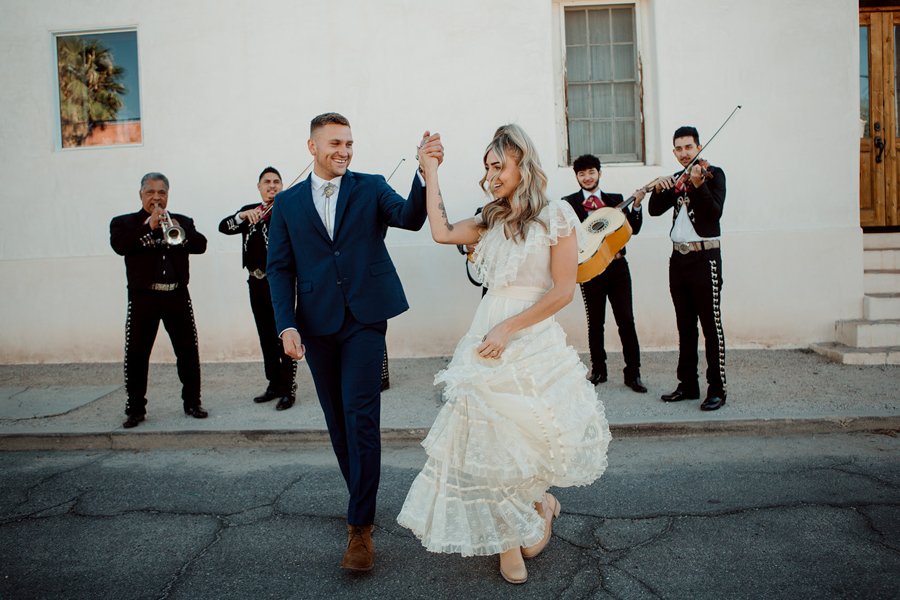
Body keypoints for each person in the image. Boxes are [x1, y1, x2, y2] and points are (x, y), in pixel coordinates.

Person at [397, 125, 611, 585]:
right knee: (485, 436)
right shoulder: (489, 217)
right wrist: (430, 169)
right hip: (486, 334)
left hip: (528, 333)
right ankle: (508, 541)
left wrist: (509, 327)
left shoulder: (557, 217)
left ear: (522, 166)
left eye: (500, 166)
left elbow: (563, 292)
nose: (492, 175)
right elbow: (440, 232)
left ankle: (541, 503)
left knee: (527, 434)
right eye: (487, 167)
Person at [266, 112, 443, 572]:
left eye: (349, 143)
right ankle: (360, 498)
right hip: (315, 324)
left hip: (365, 318)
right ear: (312, 147)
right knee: (338, 422)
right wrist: (287, 326)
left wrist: (426, 172)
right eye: (335, 143)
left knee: (361, 416)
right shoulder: (285, 205)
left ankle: (360, 526)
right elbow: (280, 269)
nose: (344, 151)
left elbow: (409, 217)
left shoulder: (371, 185)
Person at [109, 172, 209, 428]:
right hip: (144, 297)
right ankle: (135, 409)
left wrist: (181, 229)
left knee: (188, 351)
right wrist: (148, 227)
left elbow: (201, 245)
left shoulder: (181, 221)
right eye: (151, 192)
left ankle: (192, 402)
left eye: (161, 192)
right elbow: (120, 246)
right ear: (141, 194)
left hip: (176, 294)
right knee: (137, 354)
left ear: (168, 195)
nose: (156, 197)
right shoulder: (124, 223)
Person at [647, 126, 727, 411]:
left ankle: (717, 389)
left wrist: (699, 184)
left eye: (689, 148)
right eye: (679, 149)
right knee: (685, 327)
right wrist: (659, 189)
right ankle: (688, 385)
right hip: (678, 261)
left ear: (699, 147)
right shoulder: (677, 180)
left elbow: (714, 212)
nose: (684, 153)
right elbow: (654, 210)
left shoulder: (713, 175)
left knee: (711, 326)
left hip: (705, 259)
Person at [562, 154, 647, 393]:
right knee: (595, 322)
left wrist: (637, 205)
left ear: (599, 173)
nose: (587, 178)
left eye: (591, 172)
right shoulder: (568, 204)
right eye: (581, 174)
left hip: (618, 268)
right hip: (590, 270)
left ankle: (633, 373)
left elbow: (634, 229)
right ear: (576, 177)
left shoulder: (616, 200)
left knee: (626, 321)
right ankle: (598, 369)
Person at [219, 166, 297, 411]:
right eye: (267, 182)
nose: (271, 186)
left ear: (282, 186)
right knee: (265, 336)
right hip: (255, 281)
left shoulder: (286, 211)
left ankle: (288, 389)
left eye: (276, 182)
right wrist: (242, 215)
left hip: (280, 283)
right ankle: (273, 384)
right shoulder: (251, 212)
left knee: (284, 333)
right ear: (259, 187)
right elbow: (225, 226)